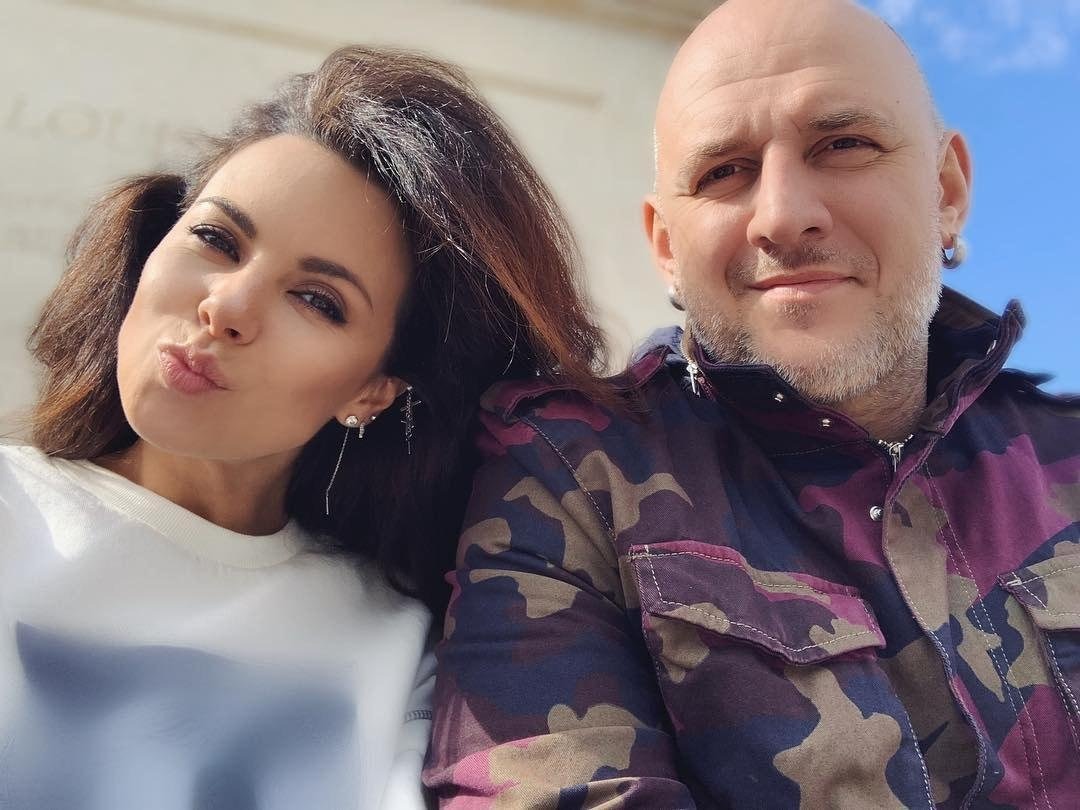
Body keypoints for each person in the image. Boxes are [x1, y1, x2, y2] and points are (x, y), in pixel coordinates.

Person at [426, 0, 1080, 807]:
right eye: (723, 172)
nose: (783, 216)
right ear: (666, 245)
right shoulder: (570, 473)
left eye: (844, 144)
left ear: (946, 189)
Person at [0, 45, 606, 809]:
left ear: (374, 390)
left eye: (317, 300)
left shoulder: (396, 648)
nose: (226, 307)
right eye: (216, 240)